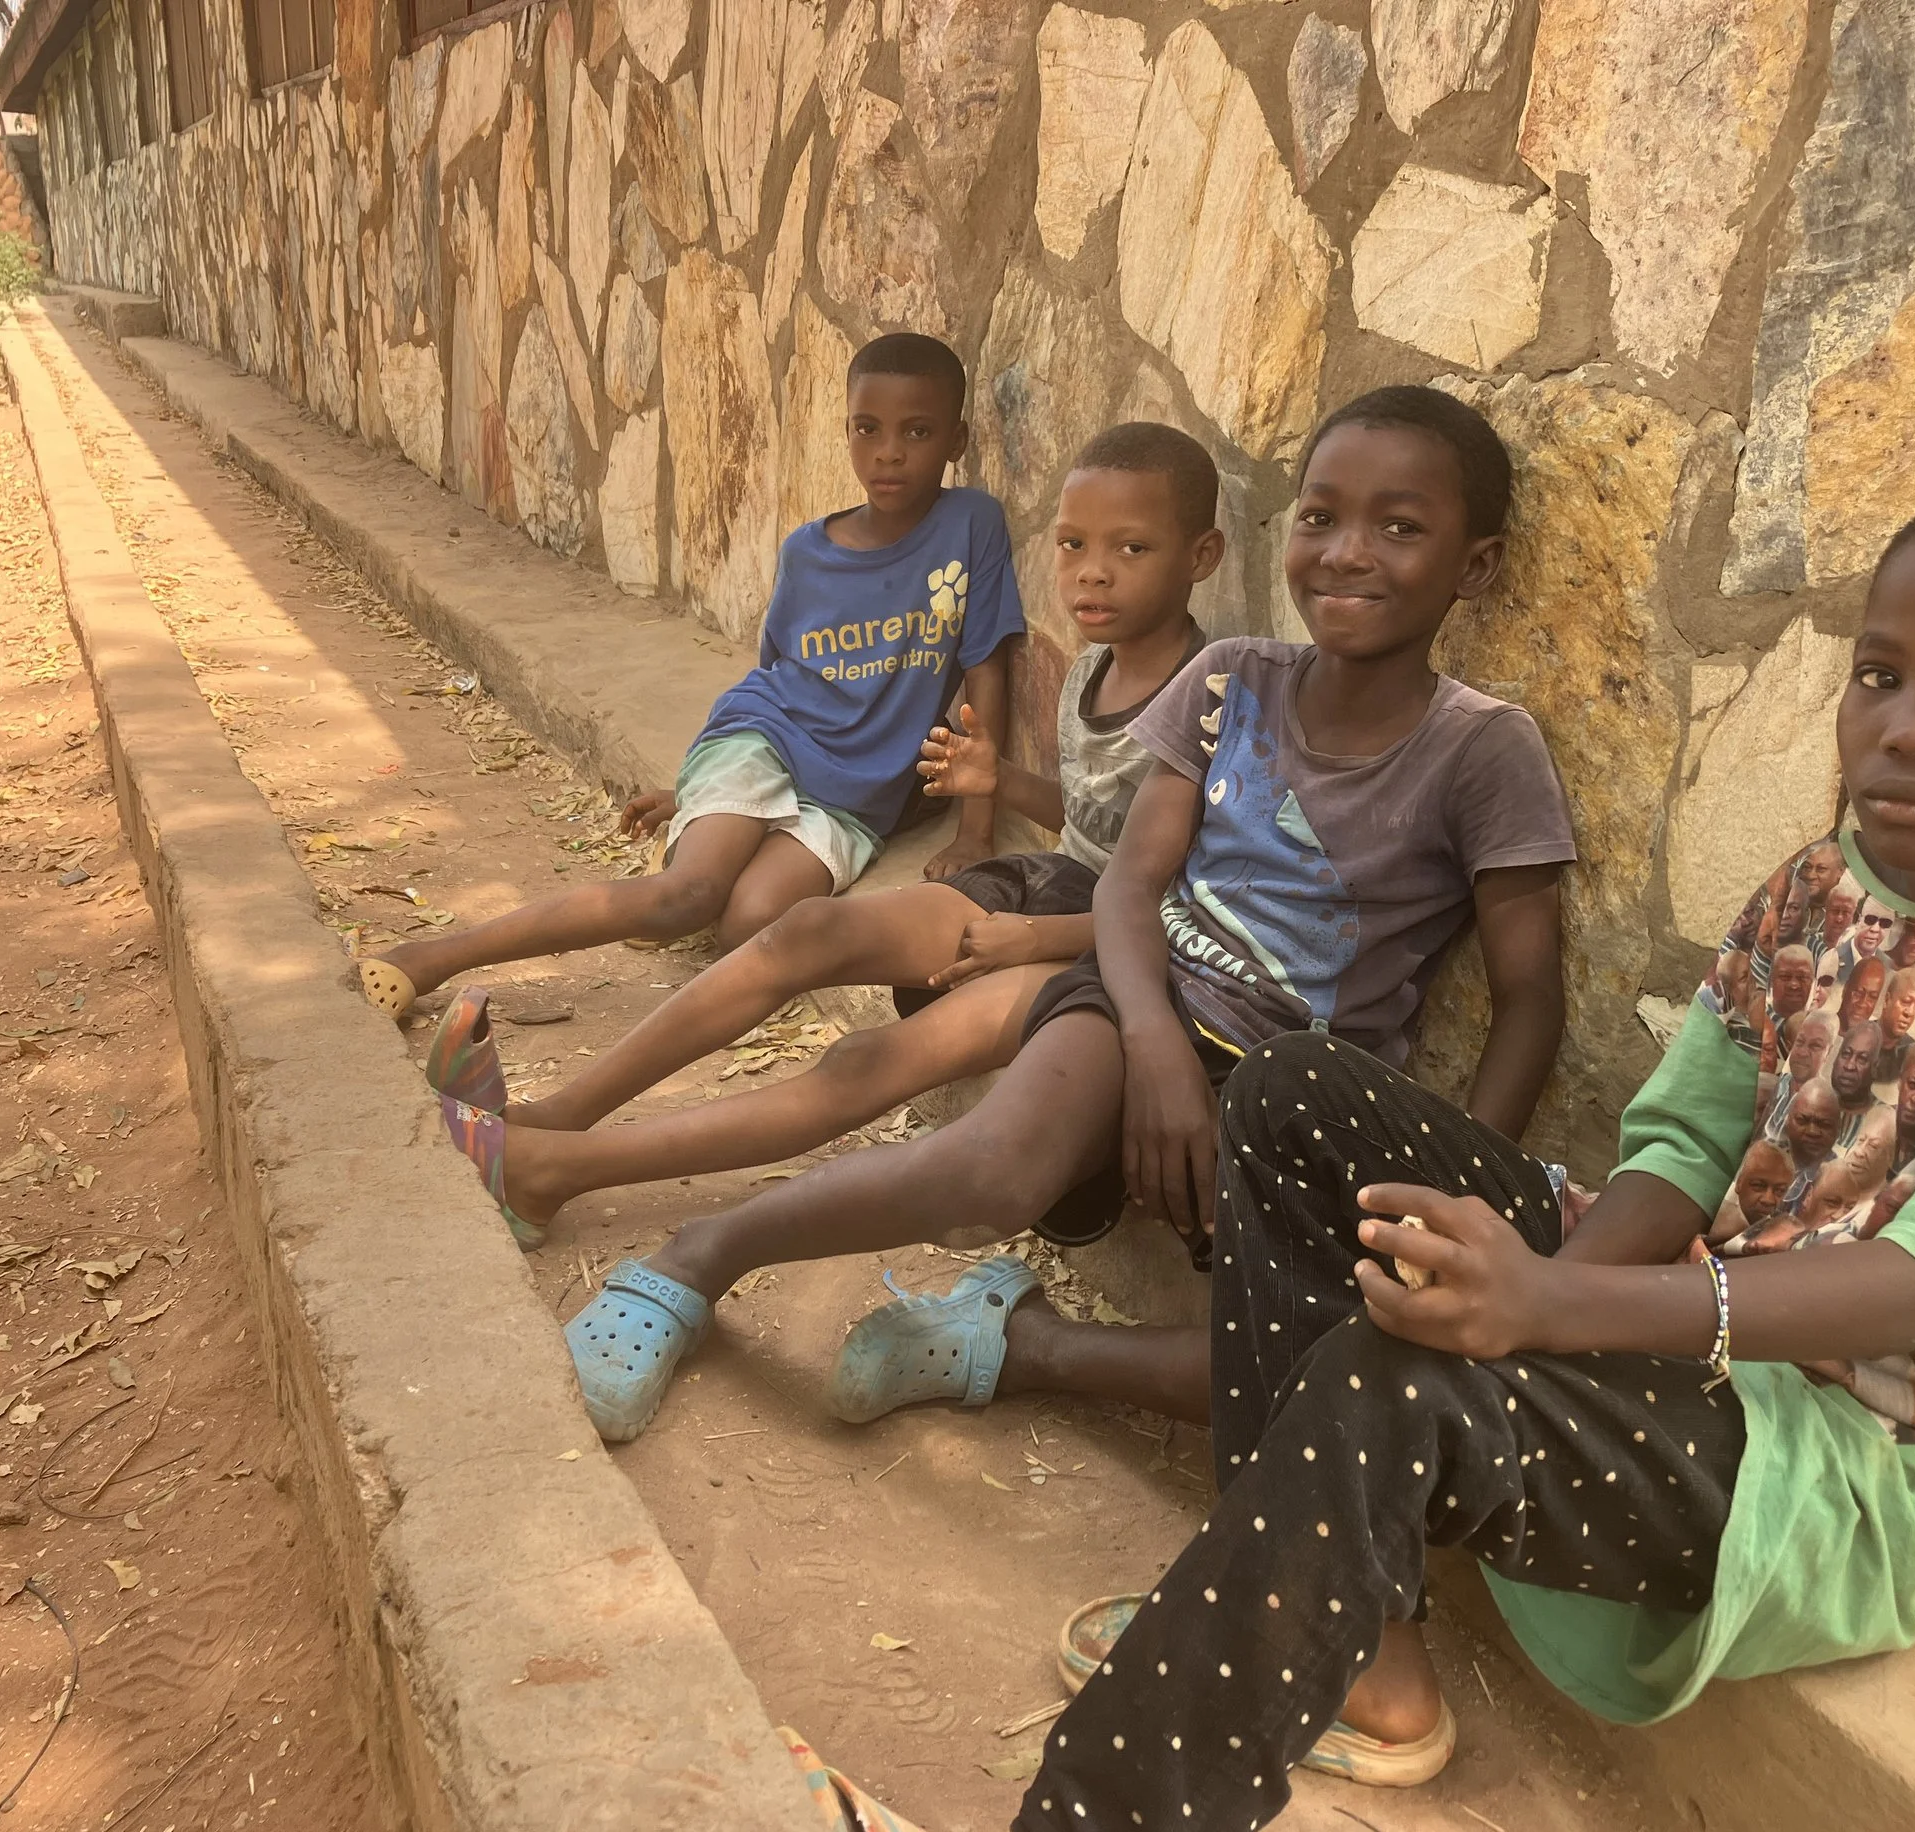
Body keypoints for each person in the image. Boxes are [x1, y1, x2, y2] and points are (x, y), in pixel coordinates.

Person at [831, 478, 1915, 1832]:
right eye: (1882, 674)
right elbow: (1684, 1146)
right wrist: (1539, 1288)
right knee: (1291, 1090)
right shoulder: (1829, 884)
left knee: (1398, 1374)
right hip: (1677, 1319)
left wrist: (1552, 1309)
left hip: (1845, 1460)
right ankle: (1360, 1656)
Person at [550, 385, 1577, 1441]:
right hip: (1149, 995)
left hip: (1303, 1091)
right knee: (995, 1169)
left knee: (1350, 1358)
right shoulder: (1234, 680)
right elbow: (1129, 884)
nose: (1348, 552)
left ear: (1476, 565)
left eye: (1399, 528)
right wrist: (1156, 1046)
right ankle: (695, 1257)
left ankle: (1017, 1345)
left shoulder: (1482, 750)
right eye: (1321, 516)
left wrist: (1464, 1193)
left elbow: (1529, 998)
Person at [425, 423, 1224, 1225]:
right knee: (805, 929)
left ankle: (555, 1171)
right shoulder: (1092, 668)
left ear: (1202, 556)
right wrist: (1005, 782)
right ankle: (558, 1115)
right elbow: (1099, 822)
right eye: (1074, 544)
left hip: (1120, 948)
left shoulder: (1219, 708)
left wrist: (1036, 938)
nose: (1093, 571)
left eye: (1131, 549)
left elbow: (1191, 907)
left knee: (864, 1059)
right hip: (1060, 887)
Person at [349, 333, 1024, 1023]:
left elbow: (986, 667)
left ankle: (703, 850)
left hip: (853, 800)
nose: (888, 452)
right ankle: (436, 956)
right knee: (690, 897)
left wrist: (976, 831)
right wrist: (700, 788)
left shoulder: (970, 525)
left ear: (956, 440)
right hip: (766, 742)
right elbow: (778, 682)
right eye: (867, 429)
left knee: (746, 927)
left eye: (917, 432)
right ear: (846, 430)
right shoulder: (807, 552)